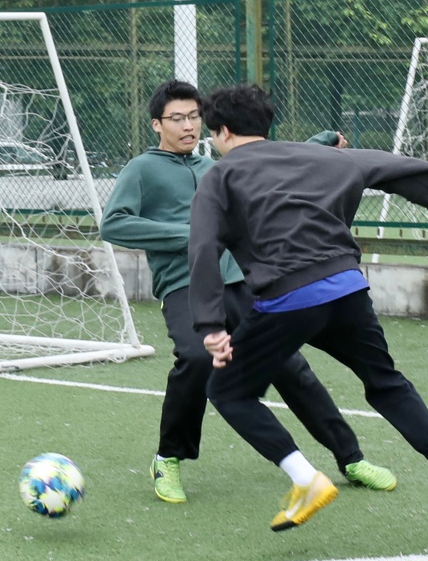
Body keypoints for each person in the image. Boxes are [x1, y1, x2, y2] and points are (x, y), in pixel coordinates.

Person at [188, 83, 428, 531]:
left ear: (221, 132)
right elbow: (409, 170)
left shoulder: (220, 175)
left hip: (288, 298)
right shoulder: (327, 157)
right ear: (266, 125)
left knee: (228, 392)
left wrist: (211, 325)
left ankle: (306, 479)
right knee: (386, 382)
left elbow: (203, 249)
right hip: (347, 289)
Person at [100, 80, 397, 505]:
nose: (188, 126)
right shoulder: (141, 169)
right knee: (198, 358)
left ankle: (350, 458)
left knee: (290, 366)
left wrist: (319, 143)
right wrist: (192, 235)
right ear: (156, 124)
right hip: (185, 285)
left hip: (245, 281)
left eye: (194, 117)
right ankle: (168, 457)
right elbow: (114, 224)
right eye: (177, 118)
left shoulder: (215, 167)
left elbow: (267, 159)